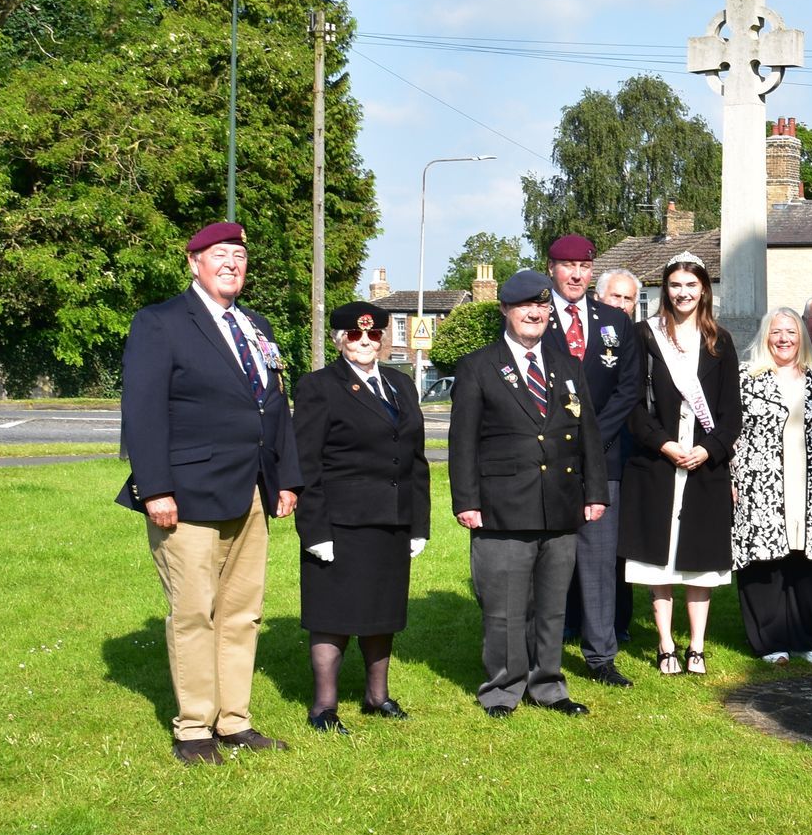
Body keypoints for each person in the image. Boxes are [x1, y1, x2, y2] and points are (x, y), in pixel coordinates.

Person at [117, 220, 302, 763]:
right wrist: (154, 488)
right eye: (220, 254)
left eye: (239, 256)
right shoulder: (161, 322)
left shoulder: (257, 325)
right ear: (193, 261)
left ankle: (234, 720)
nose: (232, 264)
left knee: (242, 612)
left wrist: (285, 477)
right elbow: (143, 410)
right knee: (195, 610)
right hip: (186, 493)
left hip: (250, 491)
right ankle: (194, 729)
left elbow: (275, 407)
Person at [448, 270, 609, 718]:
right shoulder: (477, 366)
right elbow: (463, 441)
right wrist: (467, 501)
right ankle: (503, 688)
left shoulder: (567, 365)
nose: (534, 313)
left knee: (552, 606)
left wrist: (594, 492)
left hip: (560, 503)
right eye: (524, 307)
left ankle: (549, 685)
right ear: (505, 310)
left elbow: (588, 434)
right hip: (502, 506)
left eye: (540, 307)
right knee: (504, 607)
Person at [291, 301, 430, 733]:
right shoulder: (319, 386)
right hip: (341, 522)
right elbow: (306, 463)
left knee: (382, 610)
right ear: (339, 340)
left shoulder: (400, 384)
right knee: (333, 614)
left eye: (374, 336)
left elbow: (416, 458)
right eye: (355, 336)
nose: (366, 342)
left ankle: (377, 696)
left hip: (392, 519)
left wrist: (418, 523)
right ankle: (324, 706)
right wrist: (315, 529)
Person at [618, 253, 741, 676]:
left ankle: (698, 646)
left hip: (705, 465)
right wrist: (665, 445)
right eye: (675, 285)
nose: (683, 293)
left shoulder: (720, 342)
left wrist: (709, 449)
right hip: (656, 464)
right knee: (660, 558)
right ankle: (666, 643)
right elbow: (632, 406)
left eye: (691, 285)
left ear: (704, 289)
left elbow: (731, 414)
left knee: (699, 558)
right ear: (665, 290)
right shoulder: (643, 337)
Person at [544, 235, 644, 686]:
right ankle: (538, 650)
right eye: (568, 267)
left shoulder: (614, 322)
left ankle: (601, 656)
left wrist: (591, 439)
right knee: (544, 557)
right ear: (552, 269)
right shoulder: (532, 316)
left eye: (584, 267)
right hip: (545, 459)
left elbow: (629, 387)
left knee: (600, 561)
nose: (577, 275)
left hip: (603, 458)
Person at [730, 308, 812, 665]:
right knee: (765, 562)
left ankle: (808, 638)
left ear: (802, 339)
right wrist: (731, 478)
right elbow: (730, 434)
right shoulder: (745, 379)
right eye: (777, 332)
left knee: (809, 563)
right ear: (766, 336)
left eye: (791, 332)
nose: (784, 339)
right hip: (760, 483)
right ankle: (769, 641)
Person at [598, 269, 643, 643]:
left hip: (632, 450)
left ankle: (619, 621)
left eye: (629, 299)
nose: (623, 305)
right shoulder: (590, 335)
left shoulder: (640, 336)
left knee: (618, 545)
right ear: (601, 298)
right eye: (616, 297)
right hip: (595, 442)